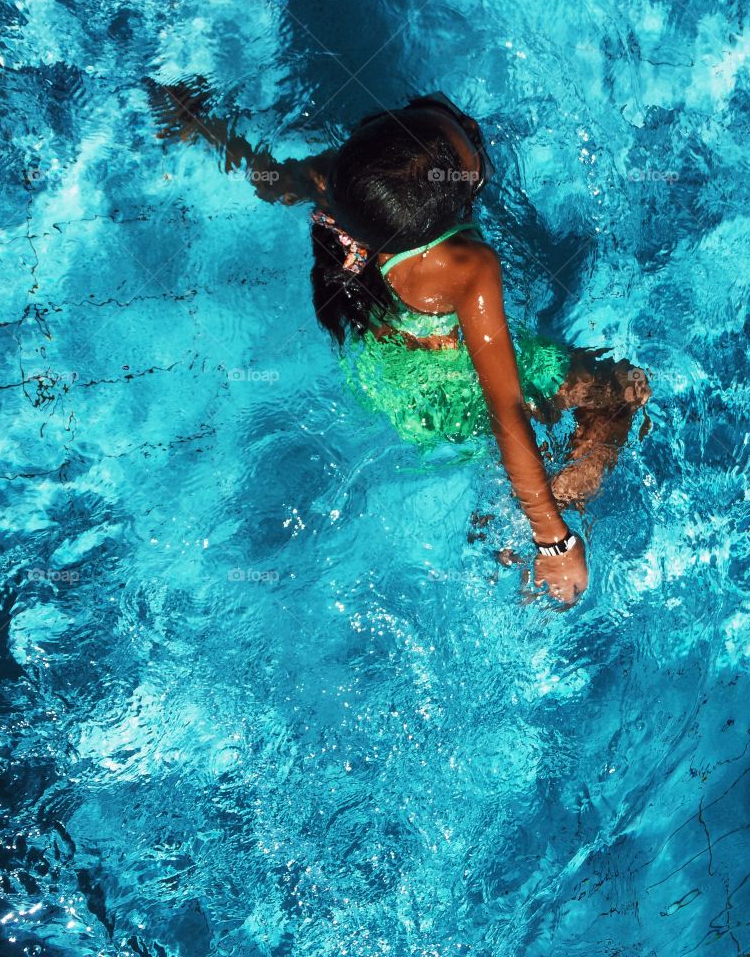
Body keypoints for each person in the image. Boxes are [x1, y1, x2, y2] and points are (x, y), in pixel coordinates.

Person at [146, 78, 651, 605]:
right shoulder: (466, 266)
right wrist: (555, 539)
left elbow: (268, 178)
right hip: (448, 392)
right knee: (624, 388)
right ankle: (543, 517)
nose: (473, 130)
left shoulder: (342, 181)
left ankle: (512, 512)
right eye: (470, 156)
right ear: (443, 220)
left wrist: (204, 128)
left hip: (381, 374)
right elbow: (505, 408)